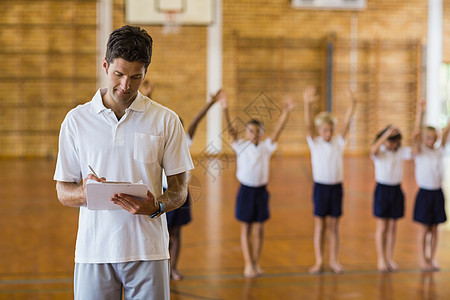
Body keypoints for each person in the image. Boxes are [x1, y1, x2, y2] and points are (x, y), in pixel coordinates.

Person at [53, 25, 194, 300]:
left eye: (135, 77)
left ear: (145, 73)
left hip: (149, 252)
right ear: (105, 65)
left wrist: (158, 205)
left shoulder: (166, 120)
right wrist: (85, 192)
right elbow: (62, 191)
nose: (125, 86)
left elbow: (180, 190)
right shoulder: (75, 121)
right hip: (93, 251)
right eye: (118, 74)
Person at [140, 81, 222, 280]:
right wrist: (149, 95)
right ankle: (161, 268)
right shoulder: (160, 139)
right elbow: (151, 116)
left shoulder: (185, 140)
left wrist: (210, 104)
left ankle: (173, 268)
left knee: (176, 234)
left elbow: (195, 121)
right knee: (163, 233)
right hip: (163, 193)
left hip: (180, 193)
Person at [220, 91, 295, 278]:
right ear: (247, 133)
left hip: (261, 191)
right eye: (251, 131)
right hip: (246, 191)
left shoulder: (266, 147)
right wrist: (225, 108)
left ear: (262, 133)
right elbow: (230, 130)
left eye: (257, 131)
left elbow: (278, 131)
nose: (254, 134)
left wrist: (286, 112)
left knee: (260, 228)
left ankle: (256, 262)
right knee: (246, 228)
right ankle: (248, 264)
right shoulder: (241, 146)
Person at [302, 86, 357, 274]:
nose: (328, 133)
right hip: (320, 188)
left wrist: (353, 103)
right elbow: (308, 126)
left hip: (336, 188)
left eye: (331, 130)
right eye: (325, 130)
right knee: (320, 226)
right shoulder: (314, 142)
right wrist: (307, 105)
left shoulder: (338, 142)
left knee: (334, 226)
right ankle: (319, 261)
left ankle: (334, 260)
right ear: (320, 130)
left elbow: (347, 123)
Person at [412, 98, 450, 271]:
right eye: (427, 138)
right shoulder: (420, 152)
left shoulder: (439, 150)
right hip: (424, 194)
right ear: (424, 138)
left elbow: (447, 130)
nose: (430, 140)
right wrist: (420, 112)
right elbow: (415, 134)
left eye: (433, 138)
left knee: (435, 229)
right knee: (424, 229)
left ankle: (431, 258)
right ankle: (422, 259)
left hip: (437, 193)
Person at [370, 125, 411, 272]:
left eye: (395, 141)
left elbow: (414, 150)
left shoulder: (400, 152)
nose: (392, 144)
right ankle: (381, 258)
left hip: (396, 190)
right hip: (382, 190)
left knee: (393, 227)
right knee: (382, 226)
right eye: (389, 141)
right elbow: (373, 149)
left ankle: (389, 257)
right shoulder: (380, 152)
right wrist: (386, 134)